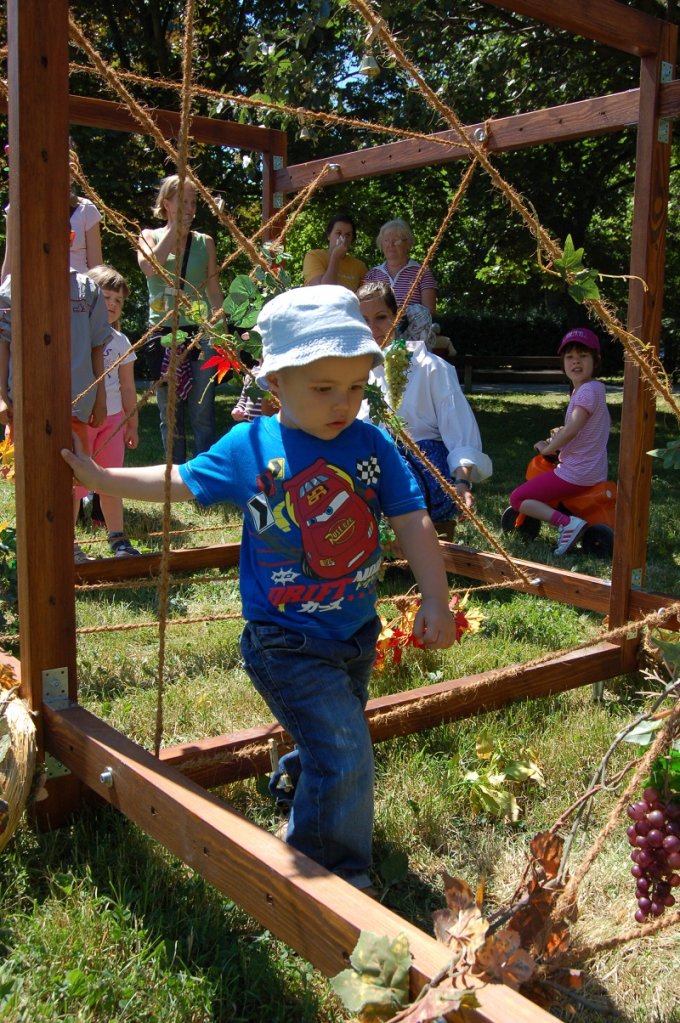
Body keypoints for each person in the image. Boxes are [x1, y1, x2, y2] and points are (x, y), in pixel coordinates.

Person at [61, 284, 456, 893]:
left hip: (353, 630)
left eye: (354, 387)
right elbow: (181, 480)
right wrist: (100, 476)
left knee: (331, 729)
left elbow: (412, 521)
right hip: (285, 639)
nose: (342, 403)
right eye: (323, 388)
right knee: (346, 748)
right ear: (276, 384)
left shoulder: (371, 444)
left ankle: (299, 781)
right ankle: (329, 876)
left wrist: (435, 596)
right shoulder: (253, 446)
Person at [358, 282, 491, 541]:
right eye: (364, 320)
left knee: (395, 481)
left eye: (381, 318)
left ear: (397, 318)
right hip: (370, 463)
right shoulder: (356, 372)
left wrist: (462, 483)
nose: (373, 329)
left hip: (424, 468)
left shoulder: (431, 367)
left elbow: (459, 430)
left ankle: (409, 543)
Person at [0, 264, 108, 563]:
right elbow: (3, 343)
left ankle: (67, 541)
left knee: (70, 474)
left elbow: (98, 346)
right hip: (26, 402)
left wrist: (99, 397)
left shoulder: (87, 289)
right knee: (28, 474)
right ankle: (30, 544)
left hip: (76, 400)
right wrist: (1, 397)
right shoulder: (12, 287)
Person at [137, 174, 224, 463]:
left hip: (200, 332)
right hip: (163, 333)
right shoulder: (149, 236)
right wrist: (174, 230)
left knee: (202, 408)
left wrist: (220, 330)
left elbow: (213, 289)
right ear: (166, 203)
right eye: (183, 201)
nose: (190, 207)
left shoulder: (205, 242)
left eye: (193, 201)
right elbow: (149, 268)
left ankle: (203, 475)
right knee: (169, 412)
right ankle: (174, 476)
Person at [508, 327, 610, 556]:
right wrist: (560, 434)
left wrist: (549, 448)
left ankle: (567, 523)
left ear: (596, 360)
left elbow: (573, 429)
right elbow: (581, 427)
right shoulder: (593, 389)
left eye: (583, 356)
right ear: (563, 362)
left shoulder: (584, 392)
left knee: (518, 498)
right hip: (592, 469)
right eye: (570, 357)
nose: (576, 362)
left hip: (577, 472)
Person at [74, 265, 140, 558]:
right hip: (81, 420)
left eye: (119, 300)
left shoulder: (121, 342)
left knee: (111, 479)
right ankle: (69, 544)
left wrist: (132, 424)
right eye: (106, 297)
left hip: (113, 422)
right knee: (75, 483)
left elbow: (128, 388)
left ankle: (118, 539)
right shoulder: (76, 338)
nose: (112, 304)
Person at [1, 142, 103, 281]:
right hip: (34, 288)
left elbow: (97, 269)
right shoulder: (18, 208)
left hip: (77, 297)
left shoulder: (86, 208)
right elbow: (10, 262)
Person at [363, 218, 437, 315]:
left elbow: (430, 312)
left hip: (412, 329)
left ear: (408, 243)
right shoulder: (372, 275)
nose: (390, 245)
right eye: (386, 240)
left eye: (396, 240)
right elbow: (364, 310)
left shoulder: (422, 273)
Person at [302, 211, 367, 292]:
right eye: (338, 233)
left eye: (348, 235)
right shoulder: (314, 256)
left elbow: (365, 298)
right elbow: (323, 291)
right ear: (329, 235)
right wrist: (335, 257)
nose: (343, 238)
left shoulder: (359, 266)